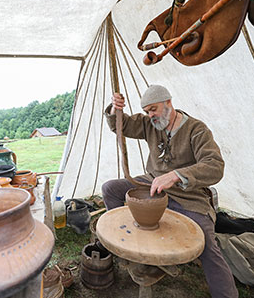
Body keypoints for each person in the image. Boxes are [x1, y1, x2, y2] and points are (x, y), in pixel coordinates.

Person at [102, 84, 238, 298]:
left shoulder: (196, 129)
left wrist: (176, 175)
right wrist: (114, 110)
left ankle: (226, 295)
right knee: (111, 189)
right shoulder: (151, 124)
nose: (150, 115)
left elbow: (215, 165)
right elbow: (123, 125)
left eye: (153, 109)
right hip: (152, 184)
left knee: (206, 242)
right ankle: (135, 244)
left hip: (188, 195)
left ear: (168, 103)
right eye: (147, 111)